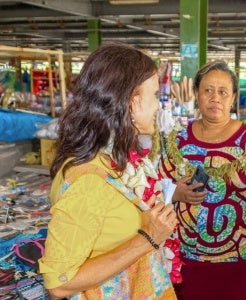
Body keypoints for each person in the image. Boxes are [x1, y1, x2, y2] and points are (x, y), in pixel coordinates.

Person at [39, 43, 178, 299]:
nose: (158, 106)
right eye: (155, 95)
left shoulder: (113, 160)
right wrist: (148, 238)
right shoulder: (88, 180)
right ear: (132, 102)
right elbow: (59, 283)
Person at [159, 61, 246, 300]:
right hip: (184, 260)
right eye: (208, 90)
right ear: (196, 94)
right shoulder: (178, 141)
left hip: (236, 260)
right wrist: (175, 194)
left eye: (223, 92)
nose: (215, 98)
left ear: (233, 97)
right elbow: (156, 190)